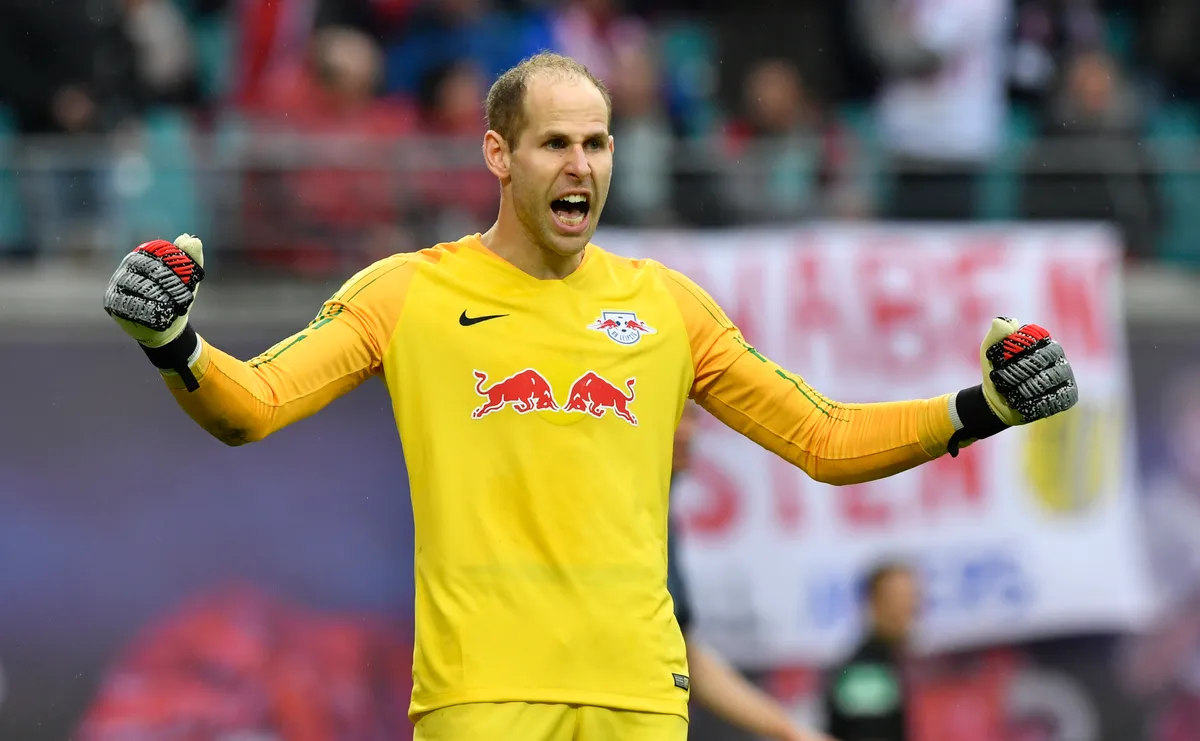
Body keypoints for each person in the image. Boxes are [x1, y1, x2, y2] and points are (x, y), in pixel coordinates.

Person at [101, 51, 1078, 741]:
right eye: (556, 143)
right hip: (483, 692)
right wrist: (173, 342)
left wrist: (980, 408)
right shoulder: (408, 292)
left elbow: (823, 438)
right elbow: (253, 405)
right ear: (499, 155)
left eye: (599, 144)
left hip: (638, 692)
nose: (582, 166)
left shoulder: (666, 305)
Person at [668, 403, 835, 741]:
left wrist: (793, 732)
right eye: (673, 417)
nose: (687, 431)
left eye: (692, 417)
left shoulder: (663, 522)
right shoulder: (614, 518)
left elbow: (683, 654)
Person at [823, 562, 920, 741]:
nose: (906, 607)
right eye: (895, 599)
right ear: (873, 603)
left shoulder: (896, 660)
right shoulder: (864, 673)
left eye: (910, 597)